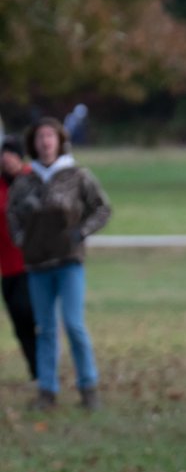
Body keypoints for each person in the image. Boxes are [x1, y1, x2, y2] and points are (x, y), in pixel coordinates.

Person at [6, 117, 111, 410]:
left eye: (50, 136)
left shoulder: (77, 175)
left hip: (68, 261)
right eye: (40, 136)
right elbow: (12, 214)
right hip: (38, 264)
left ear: (60, 140)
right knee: (46, 329)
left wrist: (81, 232)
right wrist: (22, 239)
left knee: (74, 325)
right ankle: (47, 390)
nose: (45, 142)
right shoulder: (25, 182)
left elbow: (102, 209)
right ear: (33, 143)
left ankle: (88, 386)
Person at [1, 137, 36, 381]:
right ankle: (37, 372)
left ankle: (45, 370)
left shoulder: (33, 180)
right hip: (7, 266)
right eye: (4, 156)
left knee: (29, 313)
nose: (7, 160)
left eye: (12, 155)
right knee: (19, 323)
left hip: (32, 263)